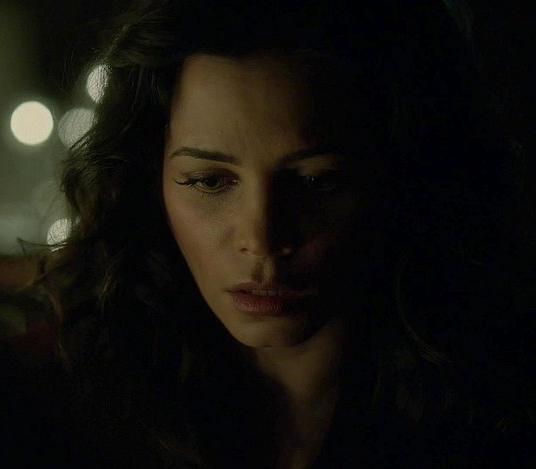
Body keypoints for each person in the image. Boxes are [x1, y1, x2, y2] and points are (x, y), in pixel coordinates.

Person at [37, 0, 534, 467]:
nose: (262, 237)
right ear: (150, 179)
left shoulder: (499, 413)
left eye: (318, 182)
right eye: (210, 181)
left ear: (402, 176)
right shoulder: (67, 410)